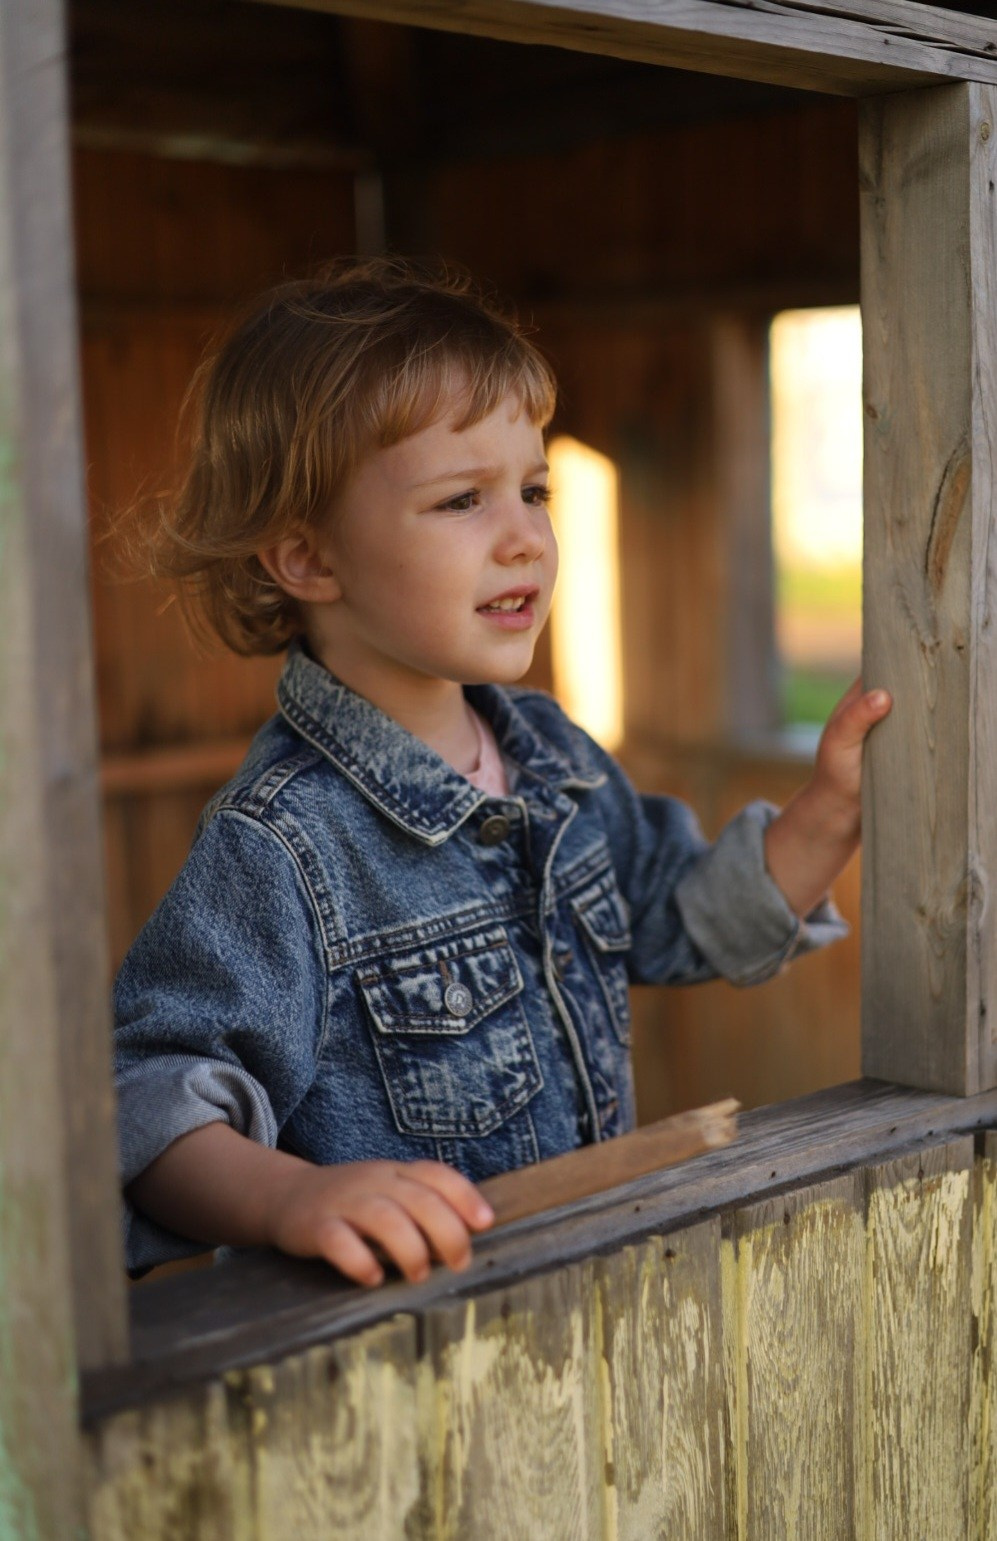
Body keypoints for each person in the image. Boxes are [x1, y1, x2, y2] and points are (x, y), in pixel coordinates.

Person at [114, 257, 890, 1289]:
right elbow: (146, 1091)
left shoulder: (552, 754)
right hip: (403, 1350)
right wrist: (289, 1196)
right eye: (461, 500)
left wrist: (829, 810)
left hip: (583, 1294)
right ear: (307, 559)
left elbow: (678, 913)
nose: (526, 535)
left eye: (532, 489)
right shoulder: (285, 841)